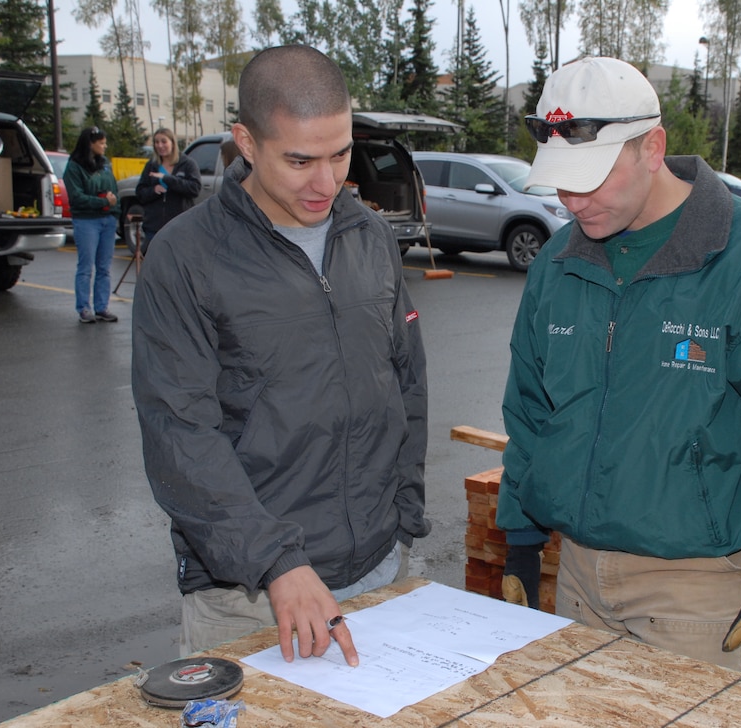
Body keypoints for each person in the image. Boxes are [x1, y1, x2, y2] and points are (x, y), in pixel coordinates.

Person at [497, 57, 741, 678]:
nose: (572, 200)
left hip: (693, 591)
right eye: (561, 181)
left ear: (653, 147)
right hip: (578, 578)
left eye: (591, 178)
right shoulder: (558, 264)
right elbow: (533, 413)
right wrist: (520, 539)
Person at [131, 45, 430, 667]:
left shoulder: (371, 237)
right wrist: (276, 561)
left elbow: (405, 382)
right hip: (252, 596)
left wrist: (405, 517)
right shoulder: (186, 257)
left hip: (382, 571)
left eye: (341, 154)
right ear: (247, 141)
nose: (328, 183)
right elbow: (180, 434)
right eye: (300, 160)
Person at [64, 126, 120, 323]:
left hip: (108, 220)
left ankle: (102, 307)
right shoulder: (74, 167)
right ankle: (84, 308)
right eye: (101, 143)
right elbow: (77, 197)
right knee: (86, 266)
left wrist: (115, 210)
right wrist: (103, 202)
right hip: (86, 220)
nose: (105, 146)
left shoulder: (105, 164)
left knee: (104, 267)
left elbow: (114, 190)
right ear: (90, 143)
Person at [133, 127, 201, 246]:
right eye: (156, 142)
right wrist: (153, 190)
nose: (160, 145)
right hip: (154, 227)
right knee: (155, 262)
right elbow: (140, 192)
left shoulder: (187, 164)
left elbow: (194, 188)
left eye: (164, 141)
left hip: (180, 226)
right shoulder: (151, 165)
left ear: (172, 143)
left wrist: (167, 179)